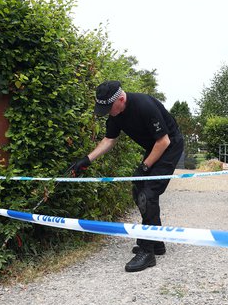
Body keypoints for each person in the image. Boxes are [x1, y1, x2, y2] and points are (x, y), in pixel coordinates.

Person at [69, 80, 184, 272]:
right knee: (138, 189)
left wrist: (145, 167)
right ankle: (156, 242)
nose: (107, 112)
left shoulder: (144, 105)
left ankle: (148, 252)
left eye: (108, 108)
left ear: (121, 99)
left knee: (148, 193)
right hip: (154, 147)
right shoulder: (116, 113)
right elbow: (109, 139)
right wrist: (86, 160)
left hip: (169, 146)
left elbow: (163, 141)